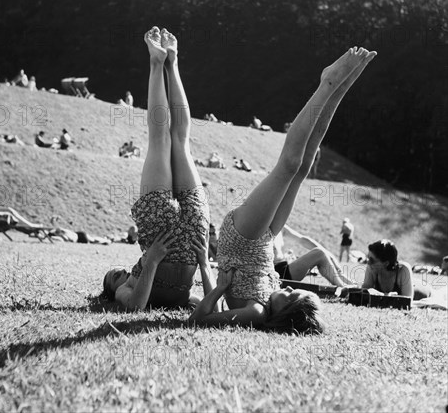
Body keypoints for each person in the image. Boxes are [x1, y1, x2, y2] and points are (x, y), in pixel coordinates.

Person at [189, 47, 377, 333]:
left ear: (282, 315)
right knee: (302, 168)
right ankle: (340, 86)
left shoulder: (256, 313)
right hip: (263, 241)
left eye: (289, 296)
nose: (287, 290)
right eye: (293, 291)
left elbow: (198, 320)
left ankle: (327, 84)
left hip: (243, 241)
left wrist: (220, 288)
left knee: (288, 165)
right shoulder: (269, 302)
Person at [102, 27, 214, 310]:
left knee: (169, 139)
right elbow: (210, 306)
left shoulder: (134, 278)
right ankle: (165, 63)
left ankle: (167, 62)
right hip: (190, 242)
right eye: (115, 276)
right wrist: (204, 264)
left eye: (116, 272)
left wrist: (150, 259)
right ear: (113, 288)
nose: (121, 272)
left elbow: (141, 306)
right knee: (175, 140)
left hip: (162, 233)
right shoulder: (123, 292)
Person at [273, 224, 355, 287]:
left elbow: (302, 239)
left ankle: (347, 283)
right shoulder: (265, 224)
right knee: (319, 253)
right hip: (276, 274)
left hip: (283, 269)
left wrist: (329, 254)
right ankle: (342, 287)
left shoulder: (280, 226)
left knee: (322, 253)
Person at [362, 240, 432, 301]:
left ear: (386, 263)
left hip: (421, 289)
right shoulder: (372, 267)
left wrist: (383, 296)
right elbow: (364, 293)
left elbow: (407, 300)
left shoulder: (403, 269)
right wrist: (385, 295)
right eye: (368, 258)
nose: (368, 262)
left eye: (372, 260)